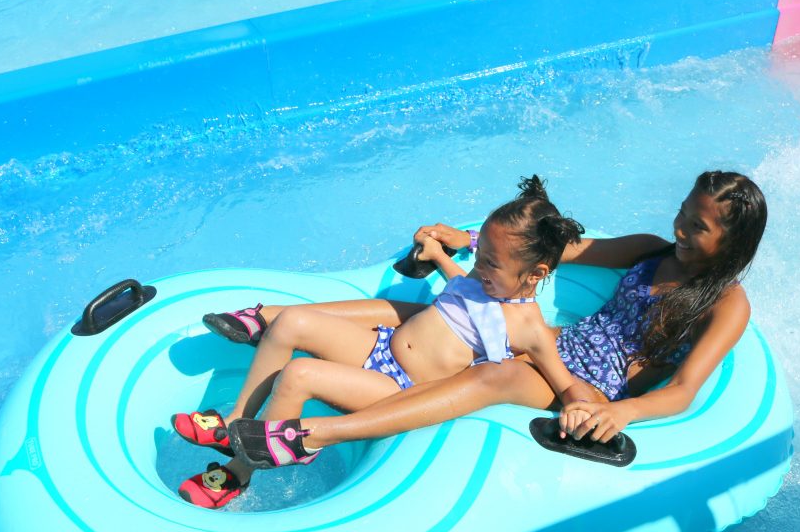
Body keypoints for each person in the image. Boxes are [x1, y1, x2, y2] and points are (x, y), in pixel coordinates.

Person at [201, 170, 767, 488]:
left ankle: (317, 436)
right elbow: (555, 250)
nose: (681, 228)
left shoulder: (727, 303)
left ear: (733, 243)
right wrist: (468, 245)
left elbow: (684, 390)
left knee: (492, 374)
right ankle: (278, 324)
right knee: (454, 309)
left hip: (591, 388)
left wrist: (618, 412)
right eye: (683, 213)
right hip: (558, 349)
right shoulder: (652, 248)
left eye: (699, 226)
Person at [172, 176, 586, 507]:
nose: (478, 267)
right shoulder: (484, 280)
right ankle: (235, 420)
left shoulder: (529, 328)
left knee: (299, 374)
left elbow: (561, 381)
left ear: (535, 274)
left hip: (398, 387)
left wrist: (581, 408)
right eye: (479, 257)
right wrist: (439, 255)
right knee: (292, 321)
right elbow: (466, 291)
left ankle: (238, 472)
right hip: (381, 347)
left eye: (489, 263)